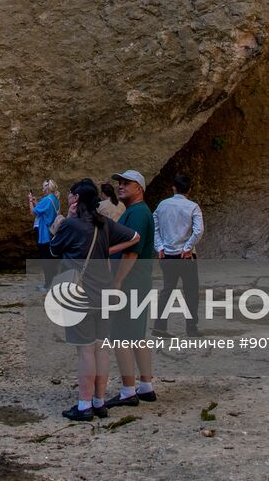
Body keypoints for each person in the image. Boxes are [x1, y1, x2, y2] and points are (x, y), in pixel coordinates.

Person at [49, 179, 140, 421]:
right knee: (101, 348)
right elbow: (134, 236)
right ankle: (99, 402)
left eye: (70, 195)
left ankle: (83, 405)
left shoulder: (71, 224)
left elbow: (53, 249)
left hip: (79, 295)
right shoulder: (104, 224)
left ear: (76, 199)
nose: (68, 198)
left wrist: (63, 220)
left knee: (85, 351)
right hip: (104, 293)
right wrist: (107, 251)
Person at [103, 169, 159, 408]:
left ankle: (128, 390)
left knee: (120, 336)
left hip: (130, 282)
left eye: (127, 183)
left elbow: (131, 252)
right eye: (120, 183)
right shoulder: (139, 212)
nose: (121, 186)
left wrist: (117, 282)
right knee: (137, 335)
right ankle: (146, 386)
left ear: (140, 188)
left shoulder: (136, 213)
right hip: (139, 281)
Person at [153, 173, 204, 336]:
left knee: (167, 291)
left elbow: (154, 227)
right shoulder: (193, 206)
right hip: (186, 257)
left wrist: (159, 247)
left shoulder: (162, 205)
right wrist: (188, 247)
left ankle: (159, 327)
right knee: (191, 292)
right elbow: (199, 230)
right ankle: (191, 328)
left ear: (173, 188)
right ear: (189, 189)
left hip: (166, 255)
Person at [28, 180, 61, 288]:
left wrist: (30, 201)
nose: (42, 190)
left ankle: (48, 284)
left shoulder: (46, 199)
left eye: (43, 188)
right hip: (51, 232)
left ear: (47, 189)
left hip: (43, 232)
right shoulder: (54, 199)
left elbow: (33, 212)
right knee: (50, 257)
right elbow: (43, 211)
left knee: (46, 259)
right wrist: (36, 202)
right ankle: (52, 282)